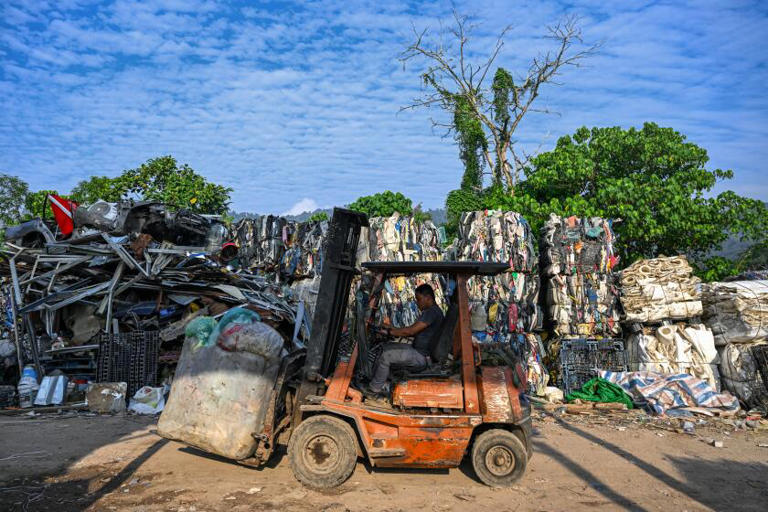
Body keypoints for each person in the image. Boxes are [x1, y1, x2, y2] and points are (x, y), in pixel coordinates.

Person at [367, 283, 444, 395]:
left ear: (428, 298)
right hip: (418, 350)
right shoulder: (433, 312)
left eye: (419, 299)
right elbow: (411, 330)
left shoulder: (432, 312)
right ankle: (381, 380)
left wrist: (389, 331)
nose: (417, 303)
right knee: (384, 347)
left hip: (420, 355)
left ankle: (374, 390)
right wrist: (391, 327)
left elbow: (410, 331)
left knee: (386, 356)